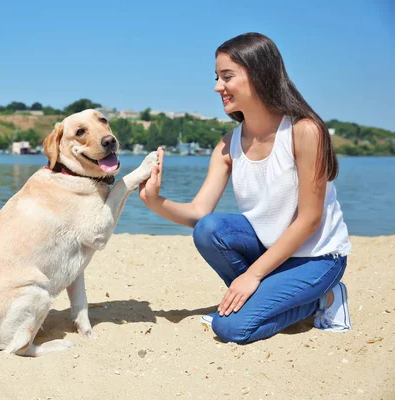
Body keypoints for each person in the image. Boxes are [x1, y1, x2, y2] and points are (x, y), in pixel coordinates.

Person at [139, 32, 352, 344]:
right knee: (210, 229)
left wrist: (252, 275)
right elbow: (199, 214)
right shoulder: (228, 145)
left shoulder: (305, 131)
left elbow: (309, 219)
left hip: (317, 258)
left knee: (231, 329)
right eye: (216, 77)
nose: (217, 87)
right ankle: (262, 298)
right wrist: (154, 200)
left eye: (227, 77)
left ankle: (325, 299)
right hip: (272, 253)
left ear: (260, 74)